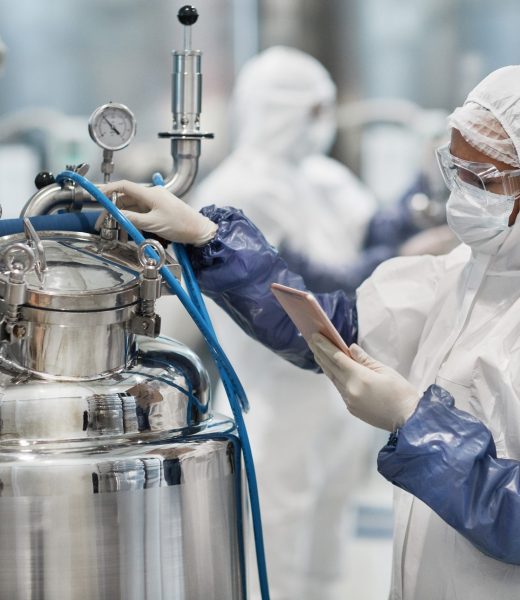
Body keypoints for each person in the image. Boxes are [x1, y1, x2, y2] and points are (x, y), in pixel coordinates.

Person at [101, 64, 520, 599]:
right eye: (454, 169)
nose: (462, 192)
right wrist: (210, 237)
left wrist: (417, 425)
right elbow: (334, 328)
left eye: (481, 179)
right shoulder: (465, 274)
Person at [190, 46, 377, 600]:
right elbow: (289, 293)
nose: (323, 126)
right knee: (272, 554)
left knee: (322, 554)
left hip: (323, 399)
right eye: (315, 111)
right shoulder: (242, 189)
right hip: (271, 400)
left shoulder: (306, 179)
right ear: (284, 111)